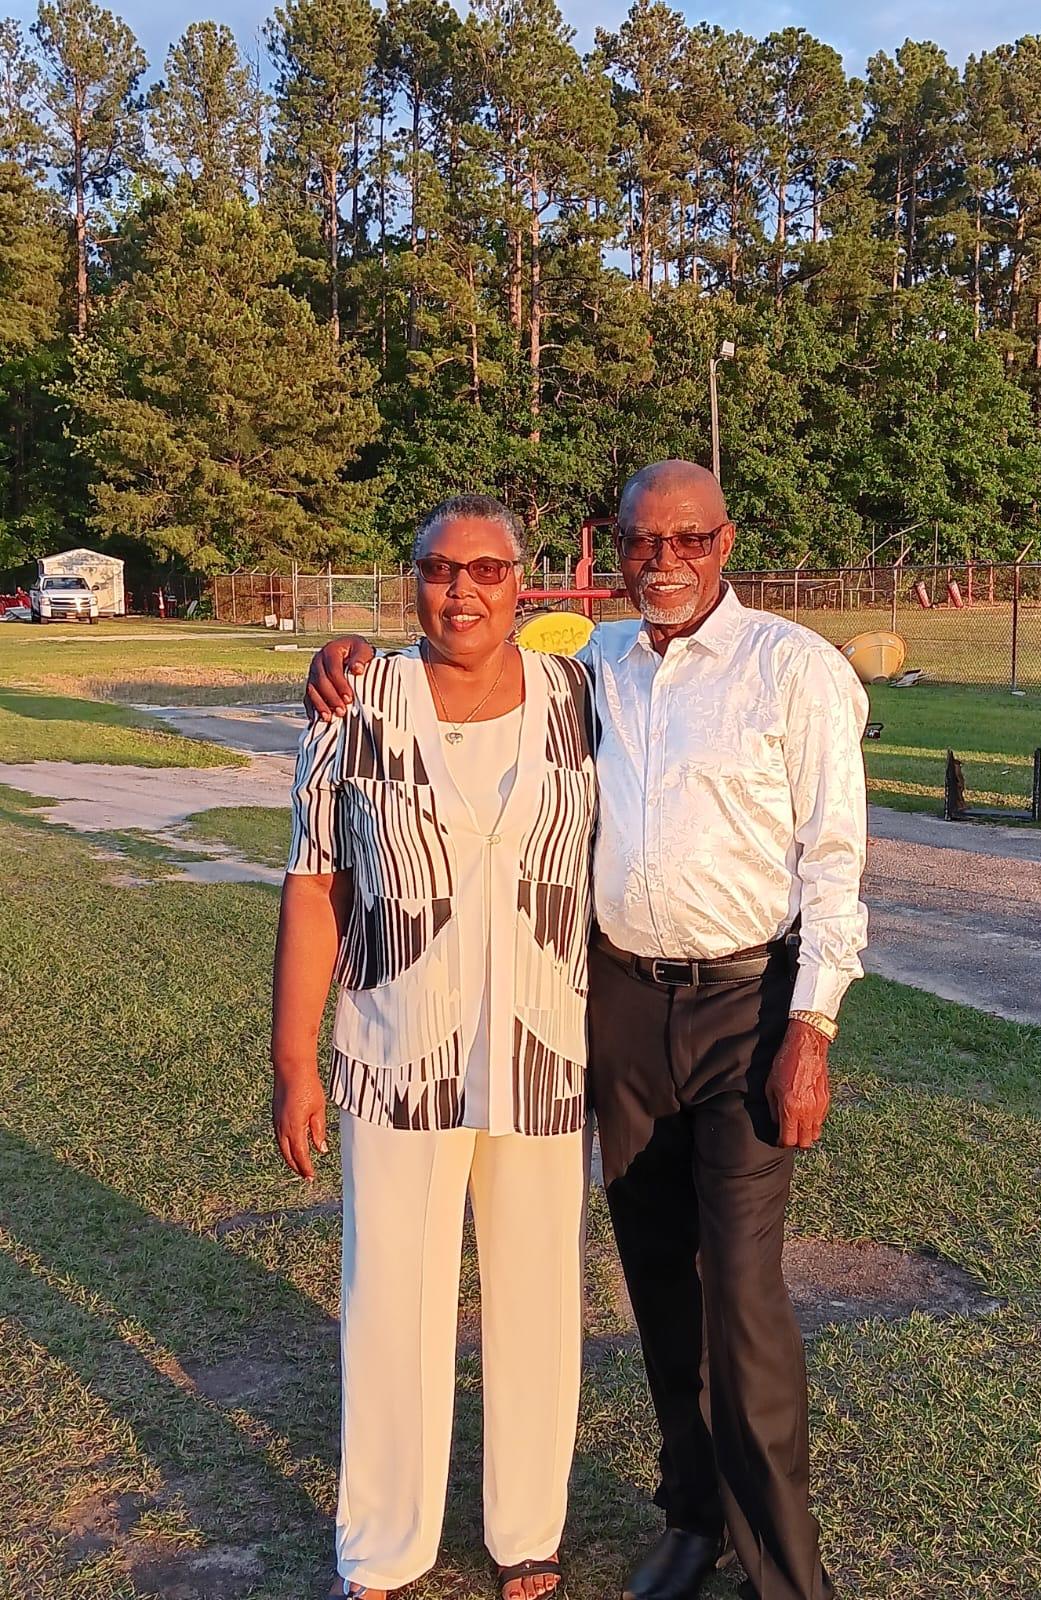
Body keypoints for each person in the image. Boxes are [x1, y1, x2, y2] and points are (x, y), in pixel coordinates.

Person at [306, 461, 869, 1600]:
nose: (665, 561)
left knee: (744, 1290)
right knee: (656, 1276)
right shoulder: (591, 667)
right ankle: (692, 1518)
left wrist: (814, 1020)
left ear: (727, 542)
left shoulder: (793, 671)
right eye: (641, 543)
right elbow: (460, 669)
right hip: (616, 1006)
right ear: (612, 554)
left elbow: (836, 861)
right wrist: (345, 658)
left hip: (748, 1011)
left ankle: (788, 1570)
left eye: (689, 540)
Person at [273, 495, 596, 1600]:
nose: (462, 591)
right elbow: (313, 882)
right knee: (392, 1301)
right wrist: (295, 1059)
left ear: (525, 582)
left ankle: (528, 1531)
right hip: (396, 1047)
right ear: (411, 578)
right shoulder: (356, 700)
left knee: (538, 1298)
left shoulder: (579, 696)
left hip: (542, 1049)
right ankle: (386, 1542)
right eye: (438, 568)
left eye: (488, 570)